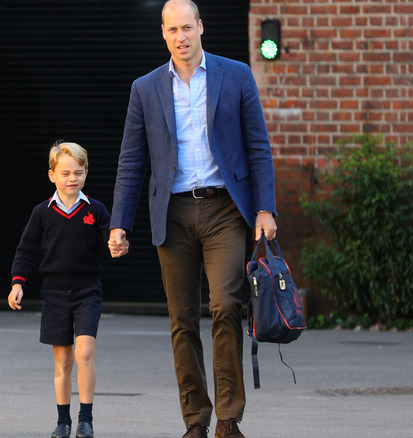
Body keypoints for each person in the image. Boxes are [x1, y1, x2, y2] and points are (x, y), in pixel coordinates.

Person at [108, 1, 278, 437]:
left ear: (200, 27)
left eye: (187, 27)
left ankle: (228, 418)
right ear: (162, 33)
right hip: (174, 211)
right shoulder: (144, 88)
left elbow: (258, 147)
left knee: (225, 305)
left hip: (225, 209)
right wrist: (119, 223)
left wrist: (264, 209)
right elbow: (131, 162)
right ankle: (195, 420)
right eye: (172, 30)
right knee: (182, 319)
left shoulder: (235, 74)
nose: (181, 37)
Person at [8, 142, 111, 438]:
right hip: (54, 294)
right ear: (52, 175)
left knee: (85, 352)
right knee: (63, 361)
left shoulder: (96, 210)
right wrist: (18, 283)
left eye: (78, 172)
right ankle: (63, 420)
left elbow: (111, 239)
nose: (72, 178)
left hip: (87, 290)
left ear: (86, 173)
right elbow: (25, 250)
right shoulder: (42, 212)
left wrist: (118, 243)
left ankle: (86, 419)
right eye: (65, 173)